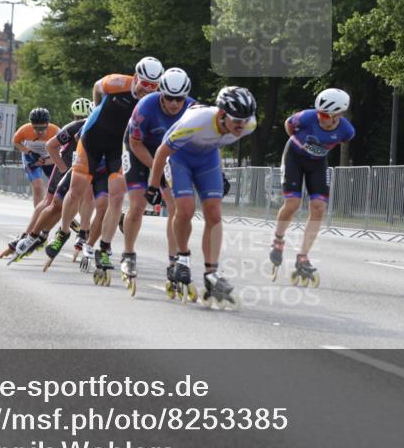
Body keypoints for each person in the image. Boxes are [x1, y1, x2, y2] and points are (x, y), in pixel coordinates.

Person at [43, 57, 163, 282]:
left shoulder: (155, 100)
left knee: (116, 199)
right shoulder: (117, 82)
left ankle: (104, 247)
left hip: (119, 147)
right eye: (144, 83)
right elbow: (97, 87)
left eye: (153, 86)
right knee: (77, 190)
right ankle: (64, 230)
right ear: (136, 77)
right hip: (93, 139)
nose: (148, 89)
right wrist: (98, 108)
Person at [148, 86, 257, 307]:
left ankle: (211, 273)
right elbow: (162, 152)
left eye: (245, 120)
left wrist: (220, 173)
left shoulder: (249, 125)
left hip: (207, 161)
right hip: (180, 159)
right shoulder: (196, 121)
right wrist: (152, 186)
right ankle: (183, 258)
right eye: (237, 119)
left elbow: (215, 142)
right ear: (221, 114)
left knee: (215, 214)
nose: (241, 125)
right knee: (185, 209)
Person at [119, 68, 195, 293]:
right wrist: (157, 168)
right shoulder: (144, 107)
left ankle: (175, 262)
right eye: (169, 98)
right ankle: (129, 254)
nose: (173, 104)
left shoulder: (193, 109)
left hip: (167, 153)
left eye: (178, 99)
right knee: (139, 204)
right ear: (161, 94)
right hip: (137, 148)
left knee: (175, 207)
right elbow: (135, 144)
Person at [269, 88, 355, 286]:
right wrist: (299, 143)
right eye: (320, 112)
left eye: (326, 115)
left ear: (338, 116)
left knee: (318, 207)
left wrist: (317, 151)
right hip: (294, 157)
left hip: (317, 163)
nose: (321, 117)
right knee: (292, 203)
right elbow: (288, 126)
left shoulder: (346, 131)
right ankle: (278, 240)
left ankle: (303, 256)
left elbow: (339, 140)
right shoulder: (307, 117)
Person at [1, 99, 93, 261]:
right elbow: (52, 147)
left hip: (81, 167)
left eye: (84, 117)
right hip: (64, 165)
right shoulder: (71, 128)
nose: (80, 120)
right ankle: (27, 236)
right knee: (50, 202)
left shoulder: (101, 129)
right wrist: (63, 169)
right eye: (78, 117)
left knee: (87, 199)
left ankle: (78, 233)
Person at [12, 108, 59, 207]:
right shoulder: (25, 129)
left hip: (49, 158)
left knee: (59, 188)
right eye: (36, 128)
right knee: (37, 187)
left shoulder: (56, 131)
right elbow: (16, 142)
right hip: (31, 157)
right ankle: (38, 216)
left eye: (43, 128)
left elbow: (62, 153)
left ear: (48, 124)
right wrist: (29, 152)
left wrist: (44, 162)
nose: (40, 132)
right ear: (31, 125)